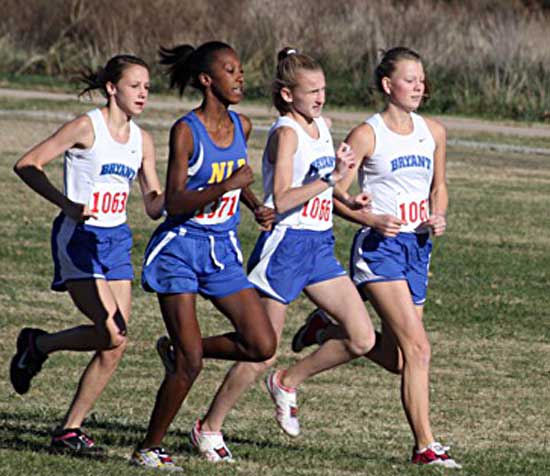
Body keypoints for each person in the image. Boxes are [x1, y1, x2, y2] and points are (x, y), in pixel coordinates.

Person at [156, 47, 376, 463]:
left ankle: (287, 382)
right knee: (261, 348)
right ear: (289, 95)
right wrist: (331, 177)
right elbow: (285, 197)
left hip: (319, 244)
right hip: (286, 248)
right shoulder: (285, 132)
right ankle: (209, 426)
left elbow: (323, 186)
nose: (320, 98)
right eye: (312, 91)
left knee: (361, 338)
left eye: (323, 90)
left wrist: (348, 196)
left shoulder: (321, 126)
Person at [290, 46, 461, 468]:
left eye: (421, 78)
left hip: (417, 248)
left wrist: (437, 214)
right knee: (419, 349)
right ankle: (425, 447)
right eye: (410, 79)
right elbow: (334, 194)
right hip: (379, 249)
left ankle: (328, 331)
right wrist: (371, 217)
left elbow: (438, 186)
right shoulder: (367, 134)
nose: (419, 86)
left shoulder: (433, 131)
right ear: (388, 85)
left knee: (401, 359)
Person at [130, 41, 277, 471]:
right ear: (206, 80)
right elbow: (174, 201)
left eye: (241, 70)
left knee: (261, 343)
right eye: (231, 71)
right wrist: (228, 187)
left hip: (221, 249)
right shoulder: (186, 130)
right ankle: (148, 449)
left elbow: (236, 175)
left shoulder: (242, 125)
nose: (240, 77)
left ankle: (179, 351)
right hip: (179, 249)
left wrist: (253, 205)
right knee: (191, 364)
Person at [10, 54, 164, 454]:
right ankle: (37, 348)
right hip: (79, 238)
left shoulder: (142, 140)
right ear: (112, 88)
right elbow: (28, 164)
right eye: (135, 86)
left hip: (116, 240)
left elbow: (152, 202)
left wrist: (190, 196)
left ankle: (66, 423)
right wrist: (67, 204)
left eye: (147, 87)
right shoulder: (85, 127)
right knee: (111, 331)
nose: (143, 93)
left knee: (115, 341)